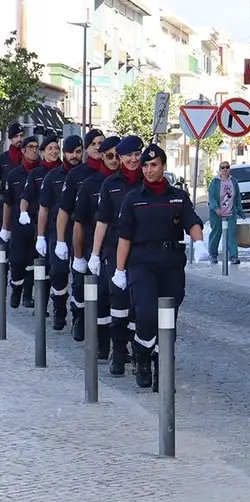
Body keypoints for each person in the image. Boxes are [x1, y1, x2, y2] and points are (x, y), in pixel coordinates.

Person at [113, 143, 209, 390]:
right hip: (141, 263)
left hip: (171, 265)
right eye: (144, 165)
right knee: (145, 314)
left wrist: (198, 243)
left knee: (168, 320)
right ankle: (142, 354)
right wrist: (119, 270)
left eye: (153, 165)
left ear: (164, 167)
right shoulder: (133, 199)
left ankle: (162, 369)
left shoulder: (178, 197)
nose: (148, 169)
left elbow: (192, 221)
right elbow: (124, 237)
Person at [89, 135, 145, 375]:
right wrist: (94, 253)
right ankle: (118, 351)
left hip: (142, 249)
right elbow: (102, 221)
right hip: (113, 249)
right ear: (120, 158)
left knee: (138, 303)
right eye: (128, 155)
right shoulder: (110, 184)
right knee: (119, 300)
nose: (133, 159)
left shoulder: (149, 180)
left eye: (137, 154)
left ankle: (134, 346)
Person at [72, 135, 120, 364]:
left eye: (117, 156)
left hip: (127, 248)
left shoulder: (133, 183)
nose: (114, 160)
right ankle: (102, 340)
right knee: (101, 297)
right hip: (98, 248)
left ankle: (122, 345)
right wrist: (80, 255)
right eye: (109, 155)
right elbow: (79, 221)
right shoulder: (90, 184)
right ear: (102, 156)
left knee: (124, 299)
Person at [56, 128, 104, 341]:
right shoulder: (77, 175)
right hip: (82, 235)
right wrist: (60, 241)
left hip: (108, 239)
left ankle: (106, 331)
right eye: (93, 144)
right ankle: (79, 316)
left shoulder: (113, 173)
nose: (98, 147)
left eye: (101, 143)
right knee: (80, 281)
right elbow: (64, 210)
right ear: (86, 148)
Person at [36, 134, 83, 330]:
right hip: (59, 230)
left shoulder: (85, 175)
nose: (74, 156)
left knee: (80, 275)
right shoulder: (53, 176)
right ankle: (59, 308)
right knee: (57, 271)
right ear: (65, 153)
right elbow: (44, 209)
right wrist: (40, 237)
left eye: (78, 152)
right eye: (71, 152)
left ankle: (79, 315)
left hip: (81, 230)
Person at [17, 136, 62, 311]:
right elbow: (25, 196)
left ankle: (55, 302)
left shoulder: (64, 171)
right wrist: (22, 212)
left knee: (56, 268)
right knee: (41, 265)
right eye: (49, 148)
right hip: (42, 224)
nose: (54, 151)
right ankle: (38, 302)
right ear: (43, 152)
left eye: (56, 148)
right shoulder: (36, 173)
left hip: (63, 224)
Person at [2, 134, 40, 308]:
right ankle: (16, 288)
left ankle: (27, 294)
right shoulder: (13, 174)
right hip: (18, 222)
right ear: (23, 151)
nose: (34, 150)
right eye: (30, 147)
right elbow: (8, 203)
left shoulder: (42, 172)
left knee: (33, 260)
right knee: (17, 260)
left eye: (36, 147)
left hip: (36, 221)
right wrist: (5, 227)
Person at [207, 161, 241, 264]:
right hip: (217, 214)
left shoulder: (233, 181)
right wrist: (216, 209)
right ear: (220, 170)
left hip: (230, 213)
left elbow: (237, 197)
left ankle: (233, 256)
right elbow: (211, 197)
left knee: (231, 235)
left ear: (229, 169)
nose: (225, 169)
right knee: (216, 234)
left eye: (227, 167)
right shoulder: (215, 182)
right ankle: (213, 255)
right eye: (222, 167)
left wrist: (240, 210)